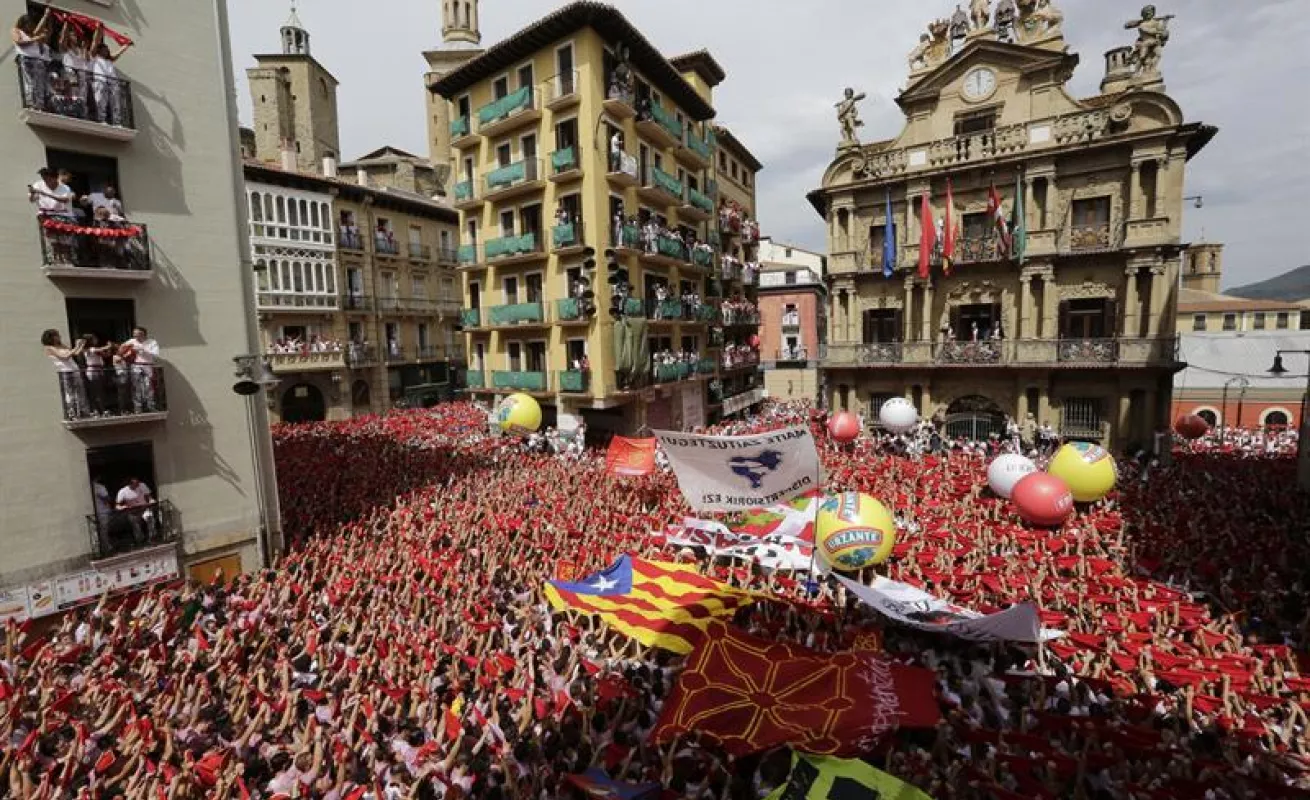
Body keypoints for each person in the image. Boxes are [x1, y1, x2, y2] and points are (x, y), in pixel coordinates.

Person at [42, 328, 89, 420]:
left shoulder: (62, 346)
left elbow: (75, 353)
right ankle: (71, 412)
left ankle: (82, 411)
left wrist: (81, 345)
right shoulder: (50, 348)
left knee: (80, 392)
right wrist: (76, 346)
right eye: (57, 335)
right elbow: (64, 357)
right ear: (52, 337)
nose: (59, 337)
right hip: (66, 371)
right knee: (70, 393)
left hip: (74, 369)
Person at [90, 28, 132, 126]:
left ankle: (117, 122)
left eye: (107, 49)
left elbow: (118, 54)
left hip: (113, 82)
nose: (106, 51)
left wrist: (126, 45)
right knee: (101, 101)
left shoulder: (109, 60)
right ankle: (101, 119)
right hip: (100, 81)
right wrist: (98, 29)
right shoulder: (95, 57)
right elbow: (95, 42)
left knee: (116, 103)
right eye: (104, 49)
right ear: (99, 50)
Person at [12, 9, 52, 111]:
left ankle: (39, 105)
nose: (31, 26)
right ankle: (31, 104)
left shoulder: (31, 34)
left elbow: (39, 28)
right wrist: (36, 39)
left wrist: (46, 15)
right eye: (29, 24)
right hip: (26, 59)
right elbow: (19, 41)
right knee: (30, 83)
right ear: (24, 23)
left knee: (38, 83)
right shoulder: (17, 30)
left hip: (36, 60)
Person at [121, 325, 160, 413]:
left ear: (143, 334)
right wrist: (126, 353)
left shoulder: (152, 342)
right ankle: (137, 407)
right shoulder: (131, 341)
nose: (135, 336)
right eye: (134, 334)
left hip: (147, 365)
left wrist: (143, 349)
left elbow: (156, 354)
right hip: (136, 366)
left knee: (148, 386)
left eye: (137, 334)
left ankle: (150, 406)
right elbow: (121, 350)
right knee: (136, 387)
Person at [114, 476, 156, 544]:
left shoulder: (142, 485)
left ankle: (151, 538)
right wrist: (122, 507)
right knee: (136, 526)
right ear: (130, 484)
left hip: (144, 508)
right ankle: (140, 541)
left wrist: (151, 500)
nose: (137, 485)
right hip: (132, 512)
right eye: (135, 483)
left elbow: (149, 497)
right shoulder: (123, 491)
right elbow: (117, 506)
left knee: (150, 518)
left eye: (138, 483)